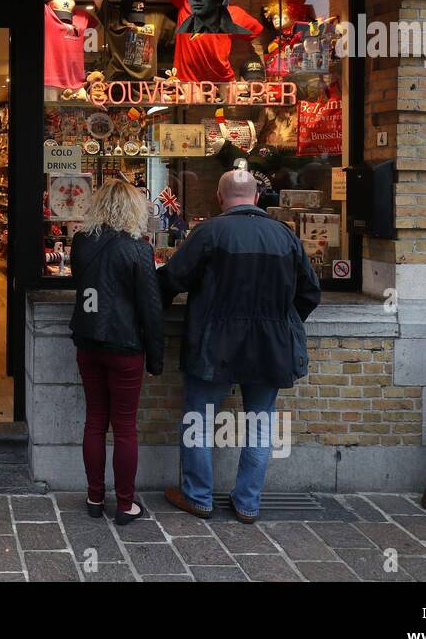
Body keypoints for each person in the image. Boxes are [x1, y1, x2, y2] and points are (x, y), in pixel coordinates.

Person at [158, 168, 320, 523]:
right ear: (257, 197)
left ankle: (198, 496)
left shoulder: (210, 232)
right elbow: (310, 292)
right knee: (260, 422)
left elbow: (172, 278)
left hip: (214, 343)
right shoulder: (285, 236)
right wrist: (281, 322)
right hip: (270, 347)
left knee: (198, 419)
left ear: (219, 197)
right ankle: (248, 503)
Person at [69, 179, 164, 525]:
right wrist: (155, 358)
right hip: (124, 346)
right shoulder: (137, 249)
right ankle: (125, 504)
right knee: (124, 427)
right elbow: (150, 308)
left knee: (95, 420)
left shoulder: (80, 243)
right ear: (133, 209)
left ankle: (95, 497)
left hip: (88, 341)